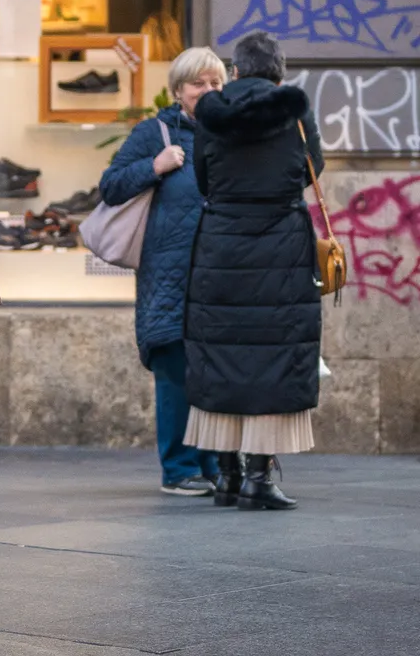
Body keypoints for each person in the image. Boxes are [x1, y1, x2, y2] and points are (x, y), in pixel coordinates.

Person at [184, 30, 324, 511]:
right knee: (274, 356)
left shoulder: (210, 112)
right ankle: (259, 478)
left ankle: (226, 474)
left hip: (220, 244)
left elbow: (202, 176)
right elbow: (313, 169)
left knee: (221, 353)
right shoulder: (296, 110)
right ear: (279, 71)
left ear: (237, 70)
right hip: (281, 246)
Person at [99, 47, 227, 496]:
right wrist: (155, 166)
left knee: (212, 373)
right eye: (199, 84)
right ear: (178, 91)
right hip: (168, 278)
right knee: (175, 373)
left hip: (217, 276)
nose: (209, 91)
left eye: (216, 83)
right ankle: (178, 468)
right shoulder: (154, 132)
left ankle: (212, 465)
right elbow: (110, 186)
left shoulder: (229, 134)